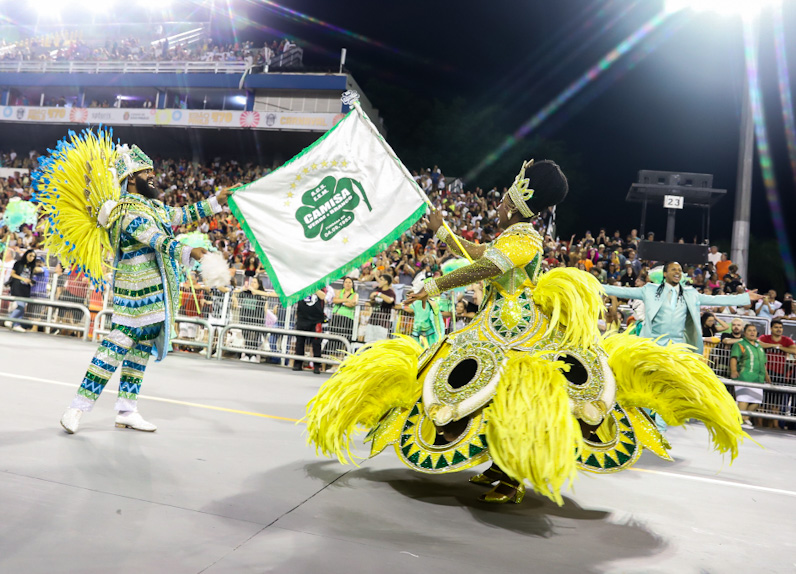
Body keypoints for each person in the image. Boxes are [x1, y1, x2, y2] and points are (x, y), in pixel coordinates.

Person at [306, 159, 745, 507]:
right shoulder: (515, 235)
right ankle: (500, 465)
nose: (496, 205)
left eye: (502, 200)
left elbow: (491, 265)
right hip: (497, 321)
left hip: (515, 328)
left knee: (514, 391)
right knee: (483, 391)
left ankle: (515, 473)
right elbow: (482, 253)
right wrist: (443, 230)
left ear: (518, 203)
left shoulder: (525, 237)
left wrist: (436, 284)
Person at [34, 130, 230, 434]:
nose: (153, 177)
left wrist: (216, 201)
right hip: (134, 294)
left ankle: (127, 409)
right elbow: (155, 239)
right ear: (130, 179)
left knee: (140, 351)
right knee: (115, 346)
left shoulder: (154, 207)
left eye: (152, 172)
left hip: (157, 293)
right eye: (146, 173)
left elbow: (181, 214)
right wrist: (191, 252)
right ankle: (77, 407)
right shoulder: (124, 212)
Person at [602, 262, 761, 352]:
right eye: (673, 270)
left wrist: (745, 297)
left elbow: (718, 299)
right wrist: (590, 283)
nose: (678, 272)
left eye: (680, 270)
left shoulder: (691, 293)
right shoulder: (649, 290)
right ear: (665, 274)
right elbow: (621, 290)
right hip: (652, 344)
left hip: (678, 347)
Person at [731, 324, 771, 429]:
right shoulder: (740, 344)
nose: (752, 332)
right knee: (743, 399)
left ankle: (744, 418)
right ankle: (740, 421)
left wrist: (767, 376)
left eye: (754, 330)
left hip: (759, 378)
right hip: (745, 376)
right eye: (749, 330)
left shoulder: (759, 346)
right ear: (745, 333)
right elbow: (734, 357)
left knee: (757, 401)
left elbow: (763, 363)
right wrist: (734, 370)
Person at [232, 276, 270, 362]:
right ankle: (247, 354)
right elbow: (234, 293)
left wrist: (255, 291)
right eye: (251, 282)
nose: (252, 284)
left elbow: (267, 296)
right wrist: (242, 289)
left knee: (254, 338)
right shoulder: (246, 292)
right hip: (245, 318)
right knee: (246, 337)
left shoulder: (261, 294)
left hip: (256, 319)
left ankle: (253, 355)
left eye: (254, 282)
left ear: (259, 285)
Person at [5, 248, 43, 332]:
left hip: (26, 287)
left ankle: (17, 324)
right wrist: (22, 278)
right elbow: (13, 274)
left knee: (23, 306)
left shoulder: (31, 266)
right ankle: (10, 319)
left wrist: (29, 281)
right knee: (21, 305)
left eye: (33, 256)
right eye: (30, 255)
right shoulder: (18, 263)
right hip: (17, 286)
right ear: (26, 255)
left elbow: (37, 271)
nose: (32, 258)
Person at [292, 288, 326, 374]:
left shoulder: (321, 286)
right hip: (302, 318)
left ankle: (317, 366)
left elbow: (323, 297)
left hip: (316, 320)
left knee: (316, 343)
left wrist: (314, 288)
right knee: (299, 342)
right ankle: (298, 363)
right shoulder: (302, 286)